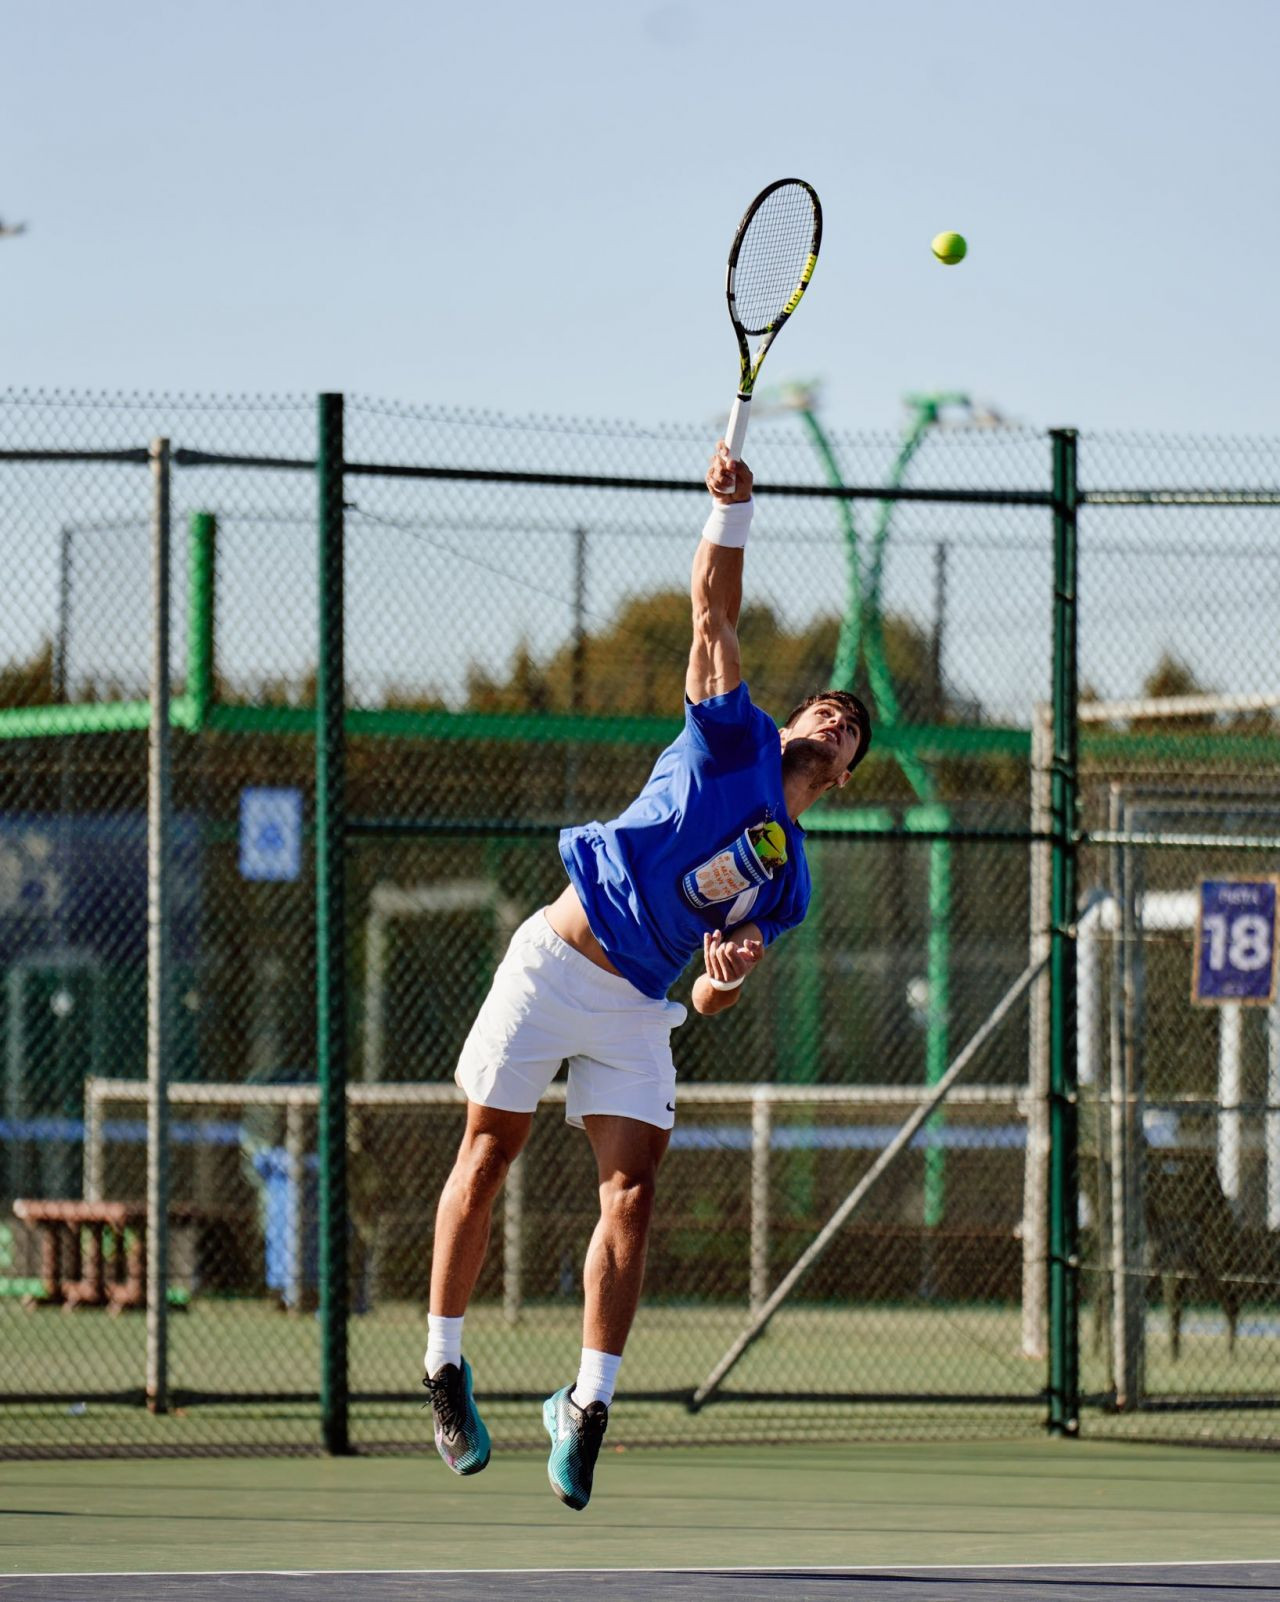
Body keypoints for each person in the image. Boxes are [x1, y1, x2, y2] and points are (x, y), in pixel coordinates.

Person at [423, 441, 872, 1510]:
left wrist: (724, 971)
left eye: (851, 731)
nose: (834, 723)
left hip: (637, 1004)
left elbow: (713, 999)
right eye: (826, 710)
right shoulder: (735, 743)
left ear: (847, 775)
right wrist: (732, 514)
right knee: (487, 1153)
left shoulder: (789, 884)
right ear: (795, 723)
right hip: (554, 960)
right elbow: (712, 614)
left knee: (632, 1194)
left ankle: (585, 1408)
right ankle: (443, 1368)